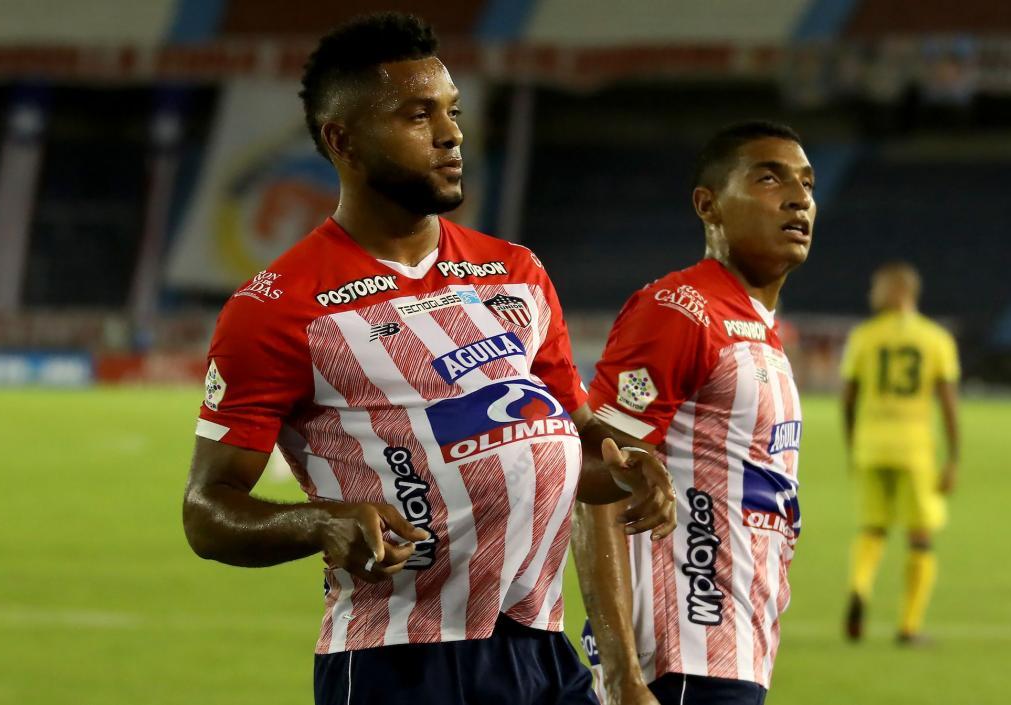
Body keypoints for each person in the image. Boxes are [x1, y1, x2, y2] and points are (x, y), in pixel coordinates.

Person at [180, 13, 676, 705]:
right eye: (418, 115)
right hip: (401, 662)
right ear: (342, 140)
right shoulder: (277, 307)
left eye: (452, 111)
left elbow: (578, 437)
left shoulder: (517, 272)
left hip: (541, 651)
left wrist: (627, 468)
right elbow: (207, 510)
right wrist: (318, 523)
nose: (451, 134)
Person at [572, 121, 816, 705]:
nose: (798, 198)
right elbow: (595, 480)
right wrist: (623, 674)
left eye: (807, 183)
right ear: (708, 205)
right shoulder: (680, 311)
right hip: (681, 660)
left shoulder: (758, 328)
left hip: (735, 650)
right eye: (769, 178)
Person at [840, 261, 961, 645]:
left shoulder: (864, 336)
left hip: (870, 444)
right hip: (914, 448)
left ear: (898, 291)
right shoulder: (935, 338)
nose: (871, 294)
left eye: (877, 287)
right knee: (920, 536)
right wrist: (954, 458)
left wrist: (852, 445)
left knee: (872, 527)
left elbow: (848, 399)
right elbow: (948, 403)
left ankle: (860, 587)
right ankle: (909, 627)